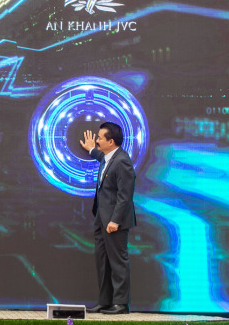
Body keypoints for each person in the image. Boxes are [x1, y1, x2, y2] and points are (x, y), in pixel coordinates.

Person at [79, 122, 136, 315]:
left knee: (118, 261)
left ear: (111, 141)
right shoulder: (109, 157)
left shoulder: (122, 161)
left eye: (100, 138)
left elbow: (125, 195)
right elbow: (101, 157)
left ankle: (121, 303)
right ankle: (105, 301)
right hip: (101, 218)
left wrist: (115, 220)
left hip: (114, 222)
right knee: (102, 261)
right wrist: (91, 150)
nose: (97, 140)